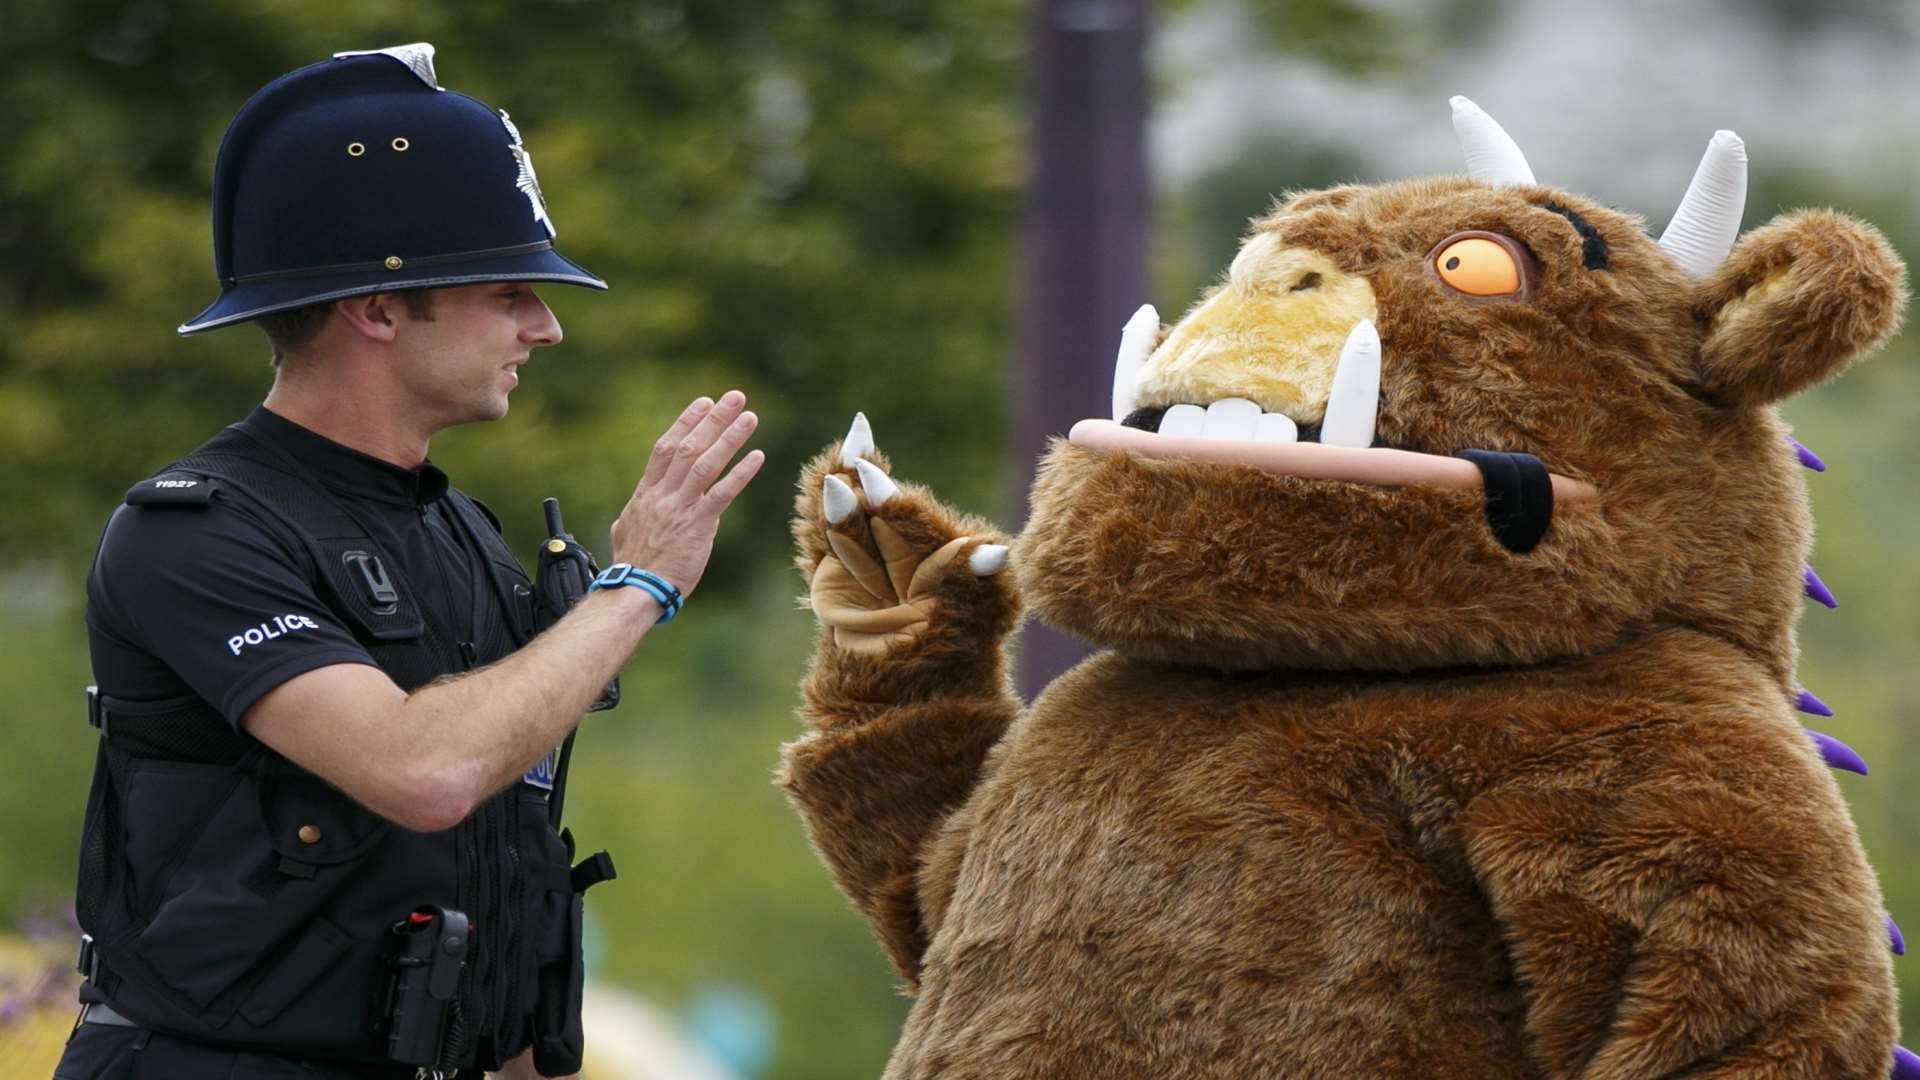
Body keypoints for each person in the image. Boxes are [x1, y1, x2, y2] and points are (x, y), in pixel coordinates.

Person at [55, 43, 764, 1080]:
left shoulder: (458, 529)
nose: (547, 326)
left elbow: (503, 888)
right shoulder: (194, 532)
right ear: (378, 309)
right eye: (509, 291)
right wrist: (641, 584)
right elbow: (424, 772)